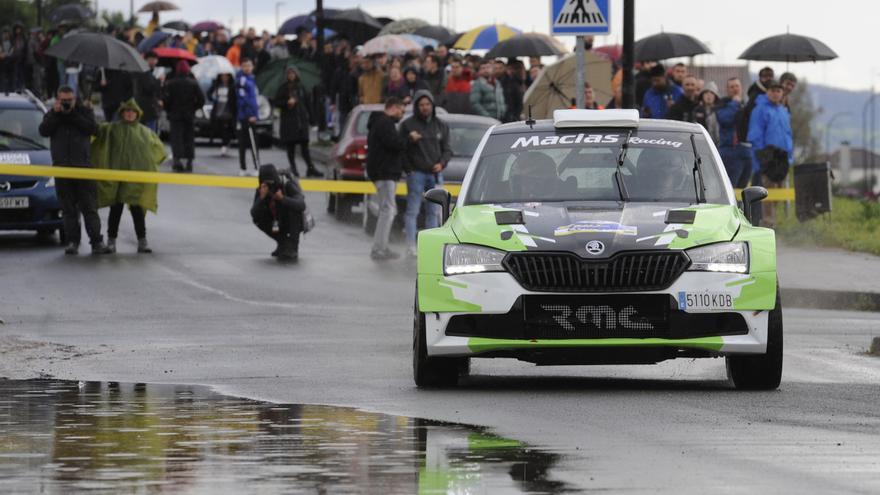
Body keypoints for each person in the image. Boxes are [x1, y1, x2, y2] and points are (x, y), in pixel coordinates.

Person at [38, 86, 111, 255]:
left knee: (89, 207)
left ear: (75, 98)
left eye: (69, 100)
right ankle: (72, 241)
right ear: (58, 99)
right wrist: (57, 114)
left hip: (83, 168)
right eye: (63, 100)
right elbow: (43, 130)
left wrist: (73, 114)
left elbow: (94, 129)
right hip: (62, 169)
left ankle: (96, 242)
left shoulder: (84, 111)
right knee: (68, 209)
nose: (66, 103)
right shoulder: (53, 113)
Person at [91, 99, 167, 253]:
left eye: (133, 112)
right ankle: (111, 241)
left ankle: (142, 241)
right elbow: (96, 134)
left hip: (135, 179)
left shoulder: (145, 133)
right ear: (122, 113)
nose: (130, 114)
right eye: (127, 111)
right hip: (116, 179)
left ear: (137, 114)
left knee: (137, 209)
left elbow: (158, 150)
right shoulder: (112, 129)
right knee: (116, 209)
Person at [400, 90, 452, 257]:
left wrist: (442, 163)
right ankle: (410, 246)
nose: (425, 107)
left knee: (434, 212)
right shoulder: (408, 125)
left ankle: (430, 246)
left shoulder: (441, 125)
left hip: (435, 173)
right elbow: (401, 149)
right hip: (416, 174)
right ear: (416, 106)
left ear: (432, 105)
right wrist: (409, 169)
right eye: (421, 105)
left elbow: (448, 149)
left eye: (427, 104)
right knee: (413, 210)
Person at [366, 98, 408, 260]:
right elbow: (394, 144)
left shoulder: (380, 122)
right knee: (388, 210)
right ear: (393, 107)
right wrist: (408, 140)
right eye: (401, 111)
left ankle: (380, 246)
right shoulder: (385, 123)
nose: (402, 115)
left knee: (388, 209)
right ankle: (379, 248)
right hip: (385, 172)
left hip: (383, 172)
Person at [747, 81, 793, 227]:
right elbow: (755, 134)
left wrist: (790, 155)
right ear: (767, 92)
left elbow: (788, 134)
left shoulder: (783, 111)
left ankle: (773, 220)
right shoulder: (759, 109)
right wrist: (762, 157)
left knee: (779, 192)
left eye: (778, 91)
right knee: (767, 192)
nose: (775, 93)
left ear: (782, 94)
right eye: (772, 90)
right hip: (768, 157)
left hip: (783, 157)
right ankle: (768, 222)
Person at [251, 164, 306, 261]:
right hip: (276, 220)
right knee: (258, 217)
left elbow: (301, 205)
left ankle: (293, 247)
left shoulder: (287, 184)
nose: (270, 186)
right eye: (266, 183)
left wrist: (283, 199)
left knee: (294, 210)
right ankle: (283, 243)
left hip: (292, 221)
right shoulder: (262, 189)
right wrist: (261, 198)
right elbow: (253, 213)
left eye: (271, 183)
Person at [275, 67, 323, 178]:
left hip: (301, 121)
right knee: (290, 147)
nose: (291, 75)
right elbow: (277, 102)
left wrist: (312, 120)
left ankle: (310, 168)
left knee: (304, 147)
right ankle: (293, 168)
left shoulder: (302, 88)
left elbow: (308, 104)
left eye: (293, 73)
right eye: (289, 73)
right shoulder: (283, 88)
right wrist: (286, 103)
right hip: (289, 122)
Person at [162, 60, 205, 172]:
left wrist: (169, 109)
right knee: (189, 137)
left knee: (176, 138)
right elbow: (201, 99)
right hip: (189, 114)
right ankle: (189, 161)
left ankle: (177, 160)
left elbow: (166, 100)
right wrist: (194, 108)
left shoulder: (170, 83)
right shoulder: (193, 83)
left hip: (175, 114)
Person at [716, 77, 752, 187]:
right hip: (730, 152)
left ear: (741, 88)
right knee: (731, 187)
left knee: (743, 188)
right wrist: (734, 104)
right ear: (727, 90)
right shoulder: (722, 104)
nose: (735, 89)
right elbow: (724, 119)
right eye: (732, 87)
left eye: (737, 86)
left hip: (747, 151)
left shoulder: (746, 105)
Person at [236, 58, 260, 176]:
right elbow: (244, 100)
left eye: (249, 65)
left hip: (252, 115)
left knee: (253, 143)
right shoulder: (241, 80)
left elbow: (254, 100)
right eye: (244, 65)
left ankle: (256, 167)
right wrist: (251, 115)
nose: (247, 68)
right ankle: (243, 168)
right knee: (244, 143)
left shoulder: (252, 79)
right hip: (245, 117)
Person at [208, 72, 236, 157]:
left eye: (226, 76)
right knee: (220, 128)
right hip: (218, 111)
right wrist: (213, 98)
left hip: (228, 112)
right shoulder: (217, 85)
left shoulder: (232, 86)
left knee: (226, 129)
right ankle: (225, 143)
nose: (224, 78)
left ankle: (225, 145)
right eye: (222, 76)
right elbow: (209, 93)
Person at [134, 51, 163, 133]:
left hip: (145, 108)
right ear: (146, 60)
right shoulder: (145, 72)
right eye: (151, 59)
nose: (154, 62)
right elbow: (149, 88)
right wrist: (159, 81)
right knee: (149, 134)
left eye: (155, 59)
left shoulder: (147, 72)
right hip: (147, 109)